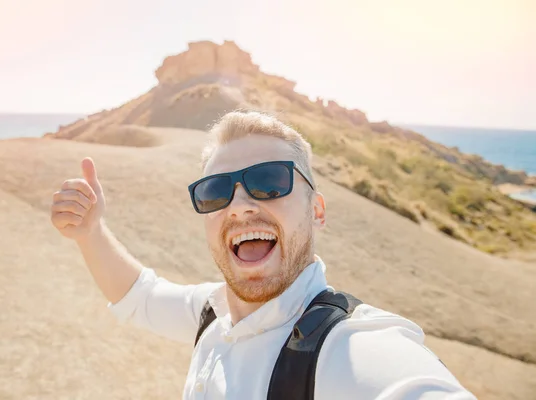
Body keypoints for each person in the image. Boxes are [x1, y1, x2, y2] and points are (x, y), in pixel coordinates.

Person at [50, 111, 477, 399]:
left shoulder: (345, 346)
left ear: (317, 210)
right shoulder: (211, 314)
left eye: (269, 182)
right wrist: (90, 233)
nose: (238, 206)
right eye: (216, 191)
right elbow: (139, 298)